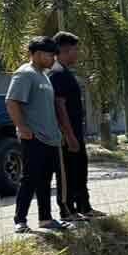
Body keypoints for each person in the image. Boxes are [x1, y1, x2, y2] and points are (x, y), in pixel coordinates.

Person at [6, 36, 71, 233]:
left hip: (50, 138)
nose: (53, 59)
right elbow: (12, 102)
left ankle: (46, 218)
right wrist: (21, 127)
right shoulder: (25, 74)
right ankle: (20, 220)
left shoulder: (43, 75)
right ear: (38, 54)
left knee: (45, 180)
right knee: (29, 179)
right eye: (51, 55)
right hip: (34, 137)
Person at [49, 31, 105, 221]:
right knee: (67, 172)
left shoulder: (66, 72)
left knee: (80, 170)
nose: (77, 54)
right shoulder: (57, 73)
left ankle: (84, 207)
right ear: (64, 50)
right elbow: (59, 105)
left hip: (76, 131)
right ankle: (67, 210)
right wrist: (69, 135)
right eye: (74, 50)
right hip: (66, 134)